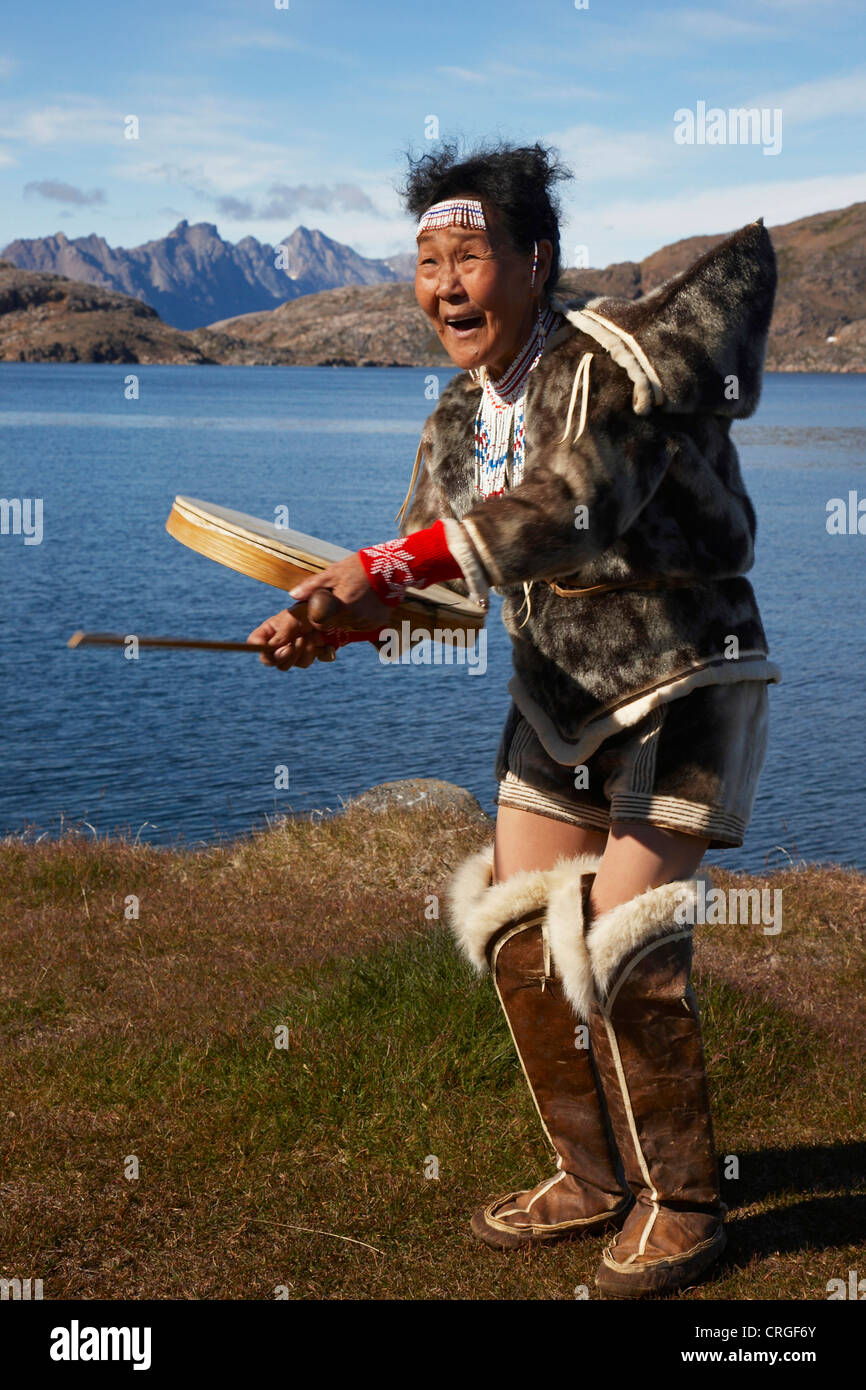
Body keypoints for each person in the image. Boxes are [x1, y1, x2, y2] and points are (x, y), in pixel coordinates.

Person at [247, 140, 781, 1299]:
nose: (444, 284)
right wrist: (333, 621)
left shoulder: (612, 371)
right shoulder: (451, 419)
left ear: (537, 261)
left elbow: (577, 505)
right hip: (554, 690)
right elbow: (440, 590)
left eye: (468, 256)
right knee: (517, 932)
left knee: (627, 941)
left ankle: (683, 1204)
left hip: (683, 670)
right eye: (426, 260)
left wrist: (381, 565)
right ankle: (592, 1176)